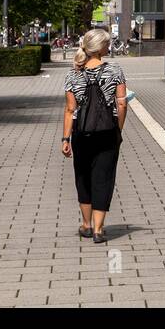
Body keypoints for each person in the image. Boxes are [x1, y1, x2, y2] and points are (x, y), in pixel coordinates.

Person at [61, 28, 127, 243]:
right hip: (107, 133)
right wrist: (118, 128)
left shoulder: (72, 75)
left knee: (83, 177)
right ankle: (99, 229)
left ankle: (86, 225)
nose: (109, 47)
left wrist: (65, 139)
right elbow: (122, 102)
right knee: (103, 177)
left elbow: (70, 110)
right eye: (107, 44)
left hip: (81, 133)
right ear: (100, 48)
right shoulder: (114, 71)